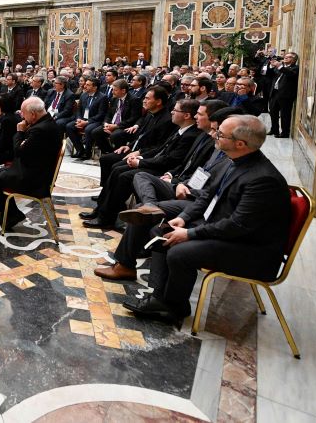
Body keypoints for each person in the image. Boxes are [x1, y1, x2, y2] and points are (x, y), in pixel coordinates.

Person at [121, 115, 292, 324]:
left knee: (179, 252)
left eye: (221, 134)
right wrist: (183, 219)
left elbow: (238, 225)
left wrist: (190, 234)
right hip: (223, 229)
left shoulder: (262, 179)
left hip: (251, 248)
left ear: (240, 143)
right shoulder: (231, 161)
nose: (215, 137)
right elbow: (206, 197)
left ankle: (174, 306)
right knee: (161, 232)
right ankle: (160, 297)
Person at [94, 105, 238, 282]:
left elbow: (227, 211)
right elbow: (193, 168)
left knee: (141, 205)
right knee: (139, 179)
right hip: (186, 187)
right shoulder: (212, 143)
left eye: (219, 132)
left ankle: (133, 269)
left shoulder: (244, 167)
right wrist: (177, 179)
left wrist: (183, 192)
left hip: (197, 201)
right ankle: (149, 207)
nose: (214, 135)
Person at [83, 98, 201, 230]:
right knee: (116, 168)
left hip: (164, 170)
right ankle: (101, 209)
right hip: (156, 162)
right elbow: (160, 149)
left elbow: (170, 160)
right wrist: (139, 154)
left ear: (186, 115)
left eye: (175, 110)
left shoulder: (190, 135)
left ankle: (107, 217)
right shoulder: (180, 129)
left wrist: (140, 162)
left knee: (124, 175)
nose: (172, 112)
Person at [0, 97, 64, 230]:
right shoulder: (48, 122)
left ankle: (10, 215)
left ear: (33, 114)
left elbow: (18, 151)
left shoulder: (39, 130)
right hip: (36, 168)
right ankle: (10, 213)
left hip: (34, 179)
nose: (21, 116)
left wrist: (19, 132)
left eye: (23, 113)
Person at [66, 77, 107, 159]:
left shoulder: (102, 97)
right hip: (83, 119)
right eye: (85, 84)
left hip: (95, 121)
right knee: (69, 126)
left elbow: (101, 114)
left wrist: (87, 122)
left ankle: (87, 153)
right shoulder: (83, 95)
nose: (85, 86)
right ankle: (80, 150)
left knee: (88, 129)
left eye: (88, 85)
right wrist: (79, 119)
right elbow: (78, 110)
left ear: (95, 87)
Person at [268, 51, 299, 138]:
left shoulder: (295, 68)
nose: (285, 57)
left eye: (288, 57)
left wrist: (280, 66)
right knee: (273, 112)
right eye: (285, 56)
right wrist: (272, 65)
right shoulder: (282, 67)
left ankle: (285, 133)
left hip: (286, 95)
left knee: (285, 114)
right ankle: (274, 130)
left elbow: (289, 74)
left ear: (293, 60)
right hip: (275, 93)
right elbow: (270, 74)